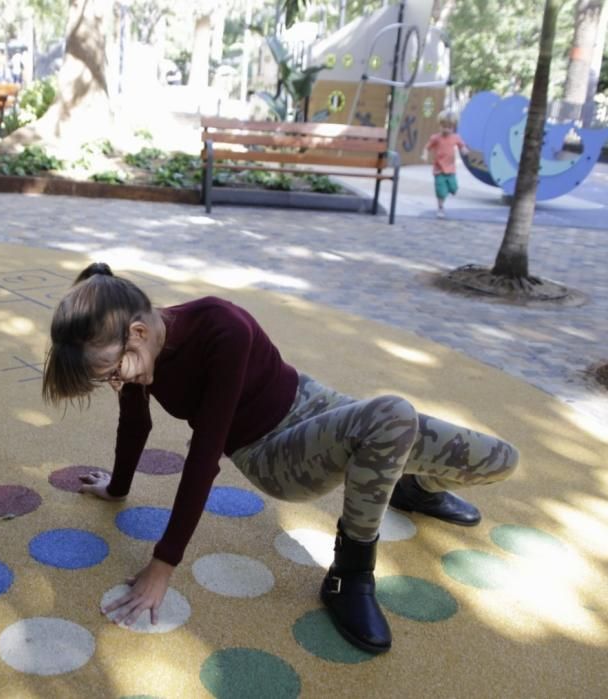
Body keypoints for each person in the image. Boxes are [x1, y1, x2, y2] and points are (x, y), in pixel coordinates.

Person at [42, 263, 519, 654]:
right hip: (272, 453)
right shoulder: (136, 359)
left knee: (499, 459)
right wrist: (119, 488)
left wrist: (161, 565)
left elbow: (202, 459)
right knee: (392, 415)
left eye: (110, 372)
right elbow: (139, 426)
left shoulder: (221, 328)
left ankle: (413, 487)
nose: (115, 383)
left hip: (313, 402)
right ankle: (349, 575)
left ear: (139, 331)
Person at [424, 111, 469, 219]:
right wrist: (425, 155)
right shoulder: (436, 138)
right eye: (443, 126)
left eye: (449, 127)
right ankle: (440, 208)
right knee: (440, 191)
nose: (446, 129)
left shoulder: (455, 137)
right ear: (440, 125)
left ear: (453, 127)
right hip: (439, 169)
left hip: (451, 169)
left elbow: (461, 146)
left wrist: (464, 150)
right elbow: (427, 147)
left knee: (454, 188)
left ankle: (448, 191)